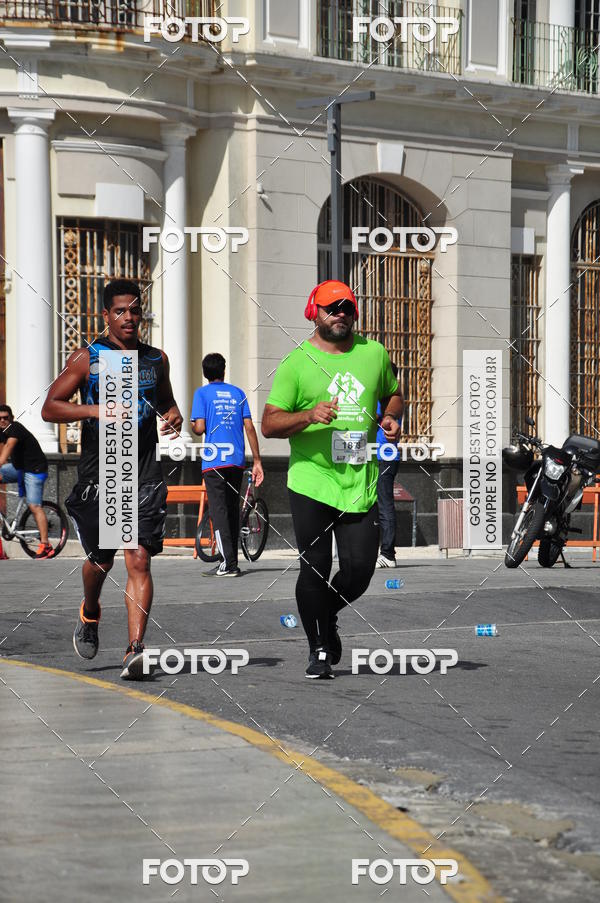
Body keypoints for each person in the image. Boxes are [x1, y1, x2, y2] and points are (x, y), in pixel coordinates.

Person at [262, 279, 404, 679]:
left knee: (360, 571)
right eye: (332, 308)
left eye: (347, 308)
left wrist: (390, 416)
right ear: (314, 312)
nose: (341, 314)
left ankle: (324, 616)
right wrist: (308, 415)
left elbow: (394, 393)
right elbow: (269, 424)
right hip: (312, 480)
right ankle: (319, 649)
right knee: (316, 567)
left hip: (359, 480)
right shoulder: (297, 362)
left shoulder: (373, 353)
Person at [42, 278, 183, 680]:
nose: (128, 318)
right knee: (101, 561)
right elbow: (50, 408)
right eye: (120, 311)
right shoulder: (88, 358)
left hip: (144, 472)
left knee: (138, 557)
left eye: (135, 310)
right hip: (102, 472)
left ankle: (135, 650)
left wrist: (173, 416)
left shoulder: (156, 359)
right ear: (106, 315)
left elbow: (167, 402)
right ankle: (90, 611)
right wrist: (94, 411)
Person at [191, 353, 264, 576]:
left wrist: (193, 424)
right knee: (232, 509)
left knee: (219, 511)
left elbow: (199, 428)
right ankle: (231, 561)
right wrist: (257, 460)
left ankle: (228, 564)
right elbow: (249, 427)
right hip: (236, 460)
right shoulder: (238, 393)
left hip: (214, 461)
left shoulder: (202, 393)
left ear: (205, 373)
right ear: (224, 370)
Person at [0, 404, 51, 558]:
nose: (2, 421)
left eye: (5, 418)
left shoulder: (15, 428)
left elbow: (8, 447)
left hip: (35, 470)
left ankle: (46, 545)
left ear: (11, 418)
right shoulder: (2, 431)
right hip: (19, 468)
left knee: (34, 506)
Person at [376, 361, 401, 568]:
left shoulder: (388, 400)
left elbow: (373, 416)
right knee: (377, 505)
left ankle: (388, 554)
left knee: (384, 504)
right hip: (378, 456)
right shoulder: (388, 398)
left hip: (384, 457)